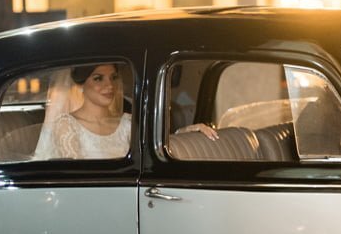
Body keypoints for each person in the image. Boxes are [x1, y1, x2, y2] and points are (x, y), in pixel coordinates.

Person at [34, 63, 217, 161]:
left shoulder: (127, 123)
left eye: (113, 78)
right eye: (98, 79)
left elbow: (155, 148)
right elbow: (76, 181)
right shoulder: (67, 126)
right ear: (82, 84)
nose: (109, 86)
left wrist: (188, 134)